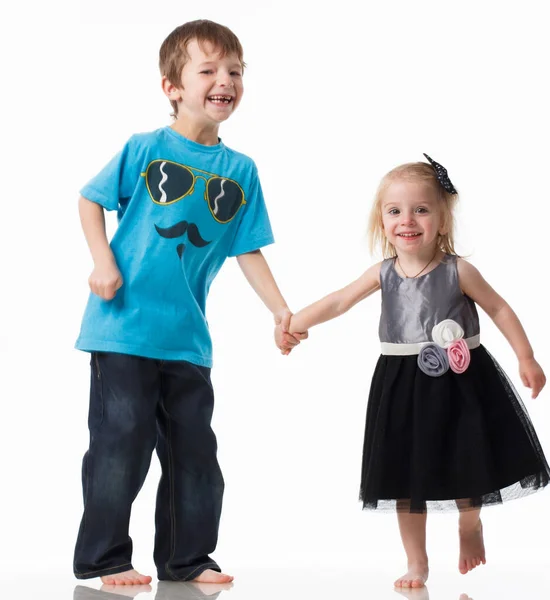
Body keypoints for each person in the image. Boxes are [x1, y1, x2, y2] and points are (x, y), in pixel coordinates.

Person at [73, 19, 305, 586]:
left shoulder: (241, 171)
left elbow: (246, 250)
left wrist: (280, 309)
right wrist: (102, 262)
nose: (224, 80)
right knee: (120, 444)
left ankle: (186, 558)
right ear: (171, 87)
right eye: (208, 70)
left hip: (186, 339)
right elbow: (89, 199)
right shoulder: (145, 149)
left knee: (194, 454)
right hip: (122, 329)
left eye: (235, 71)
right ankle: (104, 558)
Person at [285, 155, 549, 588]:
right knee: (404, 475)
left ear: (442, 220)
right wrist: (294, 323)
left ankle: (469, 523)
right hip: (401, 385)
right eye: (395, 211)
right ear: (382, 221)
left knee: (469, 460)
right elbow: (338, 301)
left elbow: (499, 307)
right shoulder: (383, 273)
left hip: (462, 383)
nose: (407, 220)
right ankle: (417, 562)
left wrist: (526, 356)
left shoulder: (457, 270)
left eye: (421, 210)